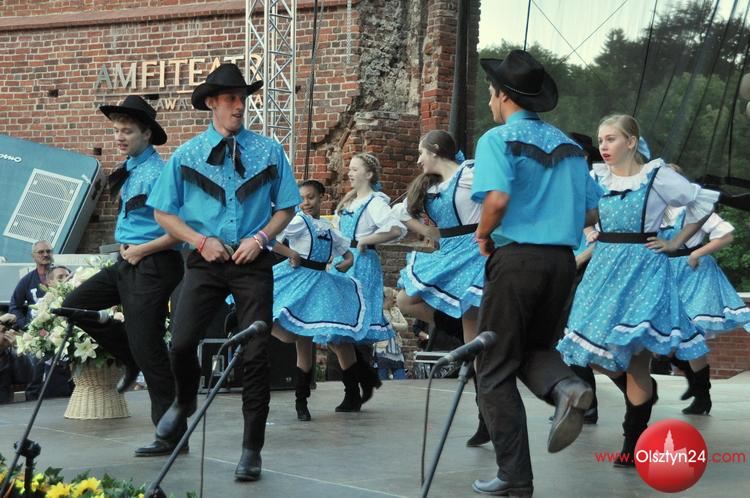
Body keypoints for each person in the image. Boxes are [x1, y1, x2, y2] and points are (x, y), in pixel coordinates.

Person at [147, 63, 301, 482]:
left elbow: (287, 206)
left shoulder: (269, 151)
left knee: (256, 355)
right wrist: (199, 241)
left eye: (242, 99)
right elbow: (163, 213)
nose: (239, 106)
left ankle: (251, 450)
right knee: (181, 343)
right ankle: (184, 400)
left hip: (252, 264)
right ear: (212, 103)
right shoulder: (187, 154)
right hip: (205, 261)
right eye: (231, 99)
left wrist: (262, 239)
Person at [470, 50, 602, 496]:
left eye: (491, 94)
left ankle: (515, 478)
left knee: (493, 368)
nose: (490, 102)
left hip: (518, 260)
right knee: (534, 348)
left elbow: (497, 199)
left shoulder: (497, 139)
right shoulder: (570, 146)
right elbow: (591, 212)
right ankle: (567, 387)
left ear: (504, 96)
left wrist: (483, 235)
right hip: (561, 262)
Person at [557, 114, 719, 469]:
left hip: (643, 270)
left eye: (611, 139)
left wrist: (675, 242)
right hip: (603, 269)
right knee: (588, 351)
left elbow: (701, 203)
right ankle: (644, 397)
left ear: (631, 141)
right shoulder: (597, 177)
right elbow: (585, 215)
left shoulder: (657, 176)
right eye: (601, 139)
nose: (603, 146)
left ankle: (631, 443)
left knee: (635, 363)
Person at [61, 95, 184, 457]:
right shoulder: (129, 168)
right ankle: (129, 356)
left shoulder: (160, 174)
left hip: (153, 264)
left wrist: (141, 250)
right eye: (116, 130)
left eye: (127, 131)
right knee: (74, 305)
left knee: (151, 352)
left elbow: (180, 233)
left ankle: (171, 436)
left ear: (147, 134)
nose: (118, 136)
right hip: (128, 261)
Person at [393, 129, 488, 445]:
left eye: (421, 152)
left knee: (475, 344)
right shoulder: (432, 185)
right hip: (449, 253)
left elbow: (499, 200)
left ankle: (486, 417)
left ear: (434, 151)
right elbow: (404, 216)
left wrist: (489, 233)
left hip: (474, 253)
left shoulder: (469, 174)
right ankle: (461, 336)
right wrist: (430, 233)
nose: (418, 159)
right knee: (406, 299)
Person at [269, 179, 366, 421]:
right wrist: (291, 252)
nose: (306, 202)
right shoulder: (298, 221)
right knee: (292, 335)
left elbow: (347, 253)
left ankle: (305, 402)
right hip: (298, 280)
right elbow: (270, 240)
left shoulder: (328, 227)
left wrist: (347, 262)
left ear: (322, 197)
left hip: (321, 284)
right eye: (301, 198)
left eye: (311, 197)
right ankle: (302, 400)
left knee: (314, 341)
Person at [319, 153, 405, 411]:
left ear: (369, 174)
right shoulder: (349, 201)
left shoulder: (375, 202)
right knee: (334, 330)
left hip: (362, 265)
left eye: (355, 169)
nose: (350, 172)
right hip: (342, 263)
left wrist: (368, 240)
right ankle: (365, 379)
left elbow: (396, 229)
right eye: (350, 168)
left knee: (346, 329)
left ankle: (354, 391)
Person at [658, 198, 750, 415]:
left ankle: (701, 395)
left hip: (694, 273)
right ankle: (697, 386)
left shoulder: (692, 209)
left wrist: (696, 253)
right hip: (666, 274)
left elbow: (726, 235)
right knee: (667, 337)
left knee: (691, 334)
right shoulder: (654, 210)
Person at [9, 240, 54, 328]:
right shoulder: (26, 281)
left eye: (48, 251)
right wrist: (25, 325)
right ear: (33, 256)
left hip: (59, 328)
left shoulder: (62, 274)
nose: (45, 254)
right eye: (41, 252)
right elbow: (14, 307)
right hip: (36, 329)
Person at [375, 287, 407, 380]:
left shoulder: (396, 310)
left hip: (396, 350)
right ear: (385, 298)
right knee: (382, 382)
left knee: (401, 380)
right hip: (381, 351)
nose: (394, 300)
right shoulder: (376, 312)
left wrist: (392, 325)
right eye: (392, 298)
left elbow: (405, 326)